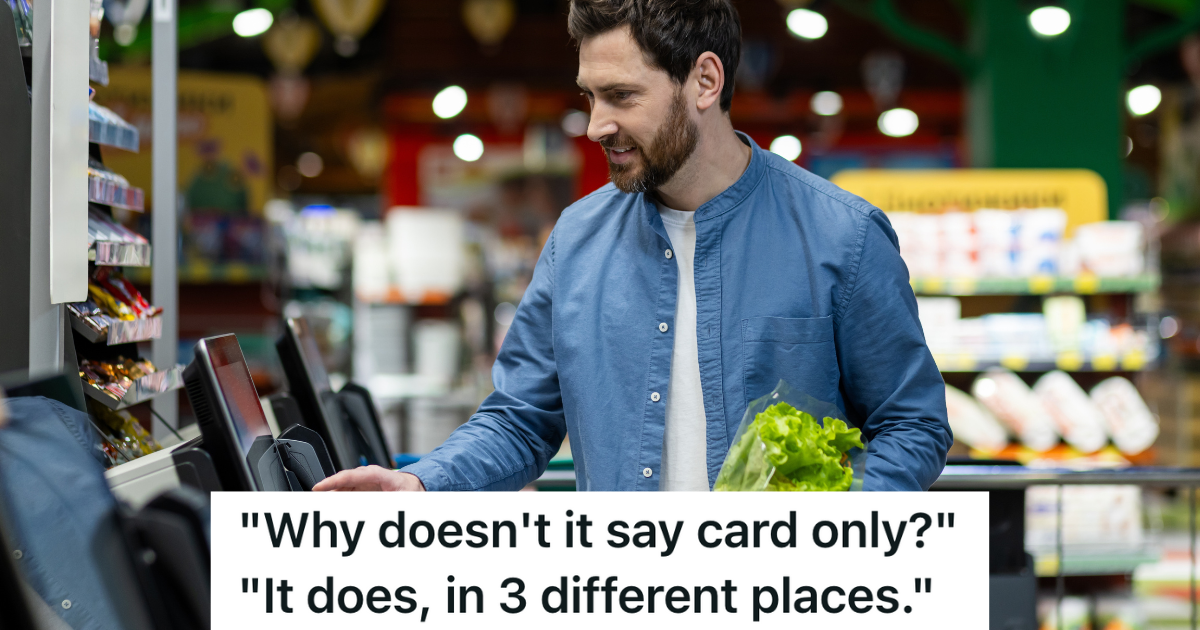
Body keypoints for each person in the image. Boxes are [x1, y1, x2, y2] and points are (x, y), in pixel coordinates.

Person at [313, 0, 951, 493]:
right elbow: (520, 418)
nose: (596, 125)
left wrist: (833, 534)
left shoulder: (843, 235)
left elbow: (912, 424)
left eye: (621, 96)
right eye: (590, 97)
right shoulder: (576, 240)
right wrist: (423, 483)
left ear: (705, 81)